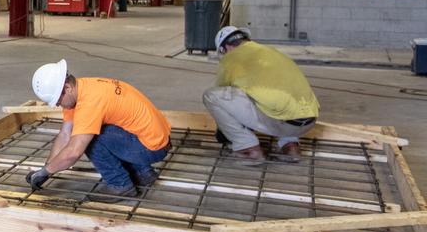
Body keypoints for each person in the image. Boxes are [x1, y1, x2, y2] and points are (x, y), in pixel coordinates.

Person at [26, 59, 172, 200]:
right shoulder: (82, 88)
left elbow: (73, 152)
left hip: (152, 148)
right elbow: (65, 134)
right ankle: (143, 173)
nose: (58, 105)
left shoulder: (90, 103)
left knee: (90, 138)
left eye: (58, 100)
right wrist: (45, 170)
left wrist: (47, 171)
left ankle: (120, 185)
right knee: (92, 129)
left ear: (67, 88)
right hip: (153, 139)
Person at [203, 26, 319, 163]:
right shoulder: (271, 51)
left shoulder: (231, 59)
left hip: (280, 123)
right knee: (275, 98)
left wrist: (225, 130)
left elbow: (223, 95)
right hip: (309, 121)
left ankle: (248, 149)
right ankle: (291, 146)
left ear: (225, 48)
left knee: (211, 96)